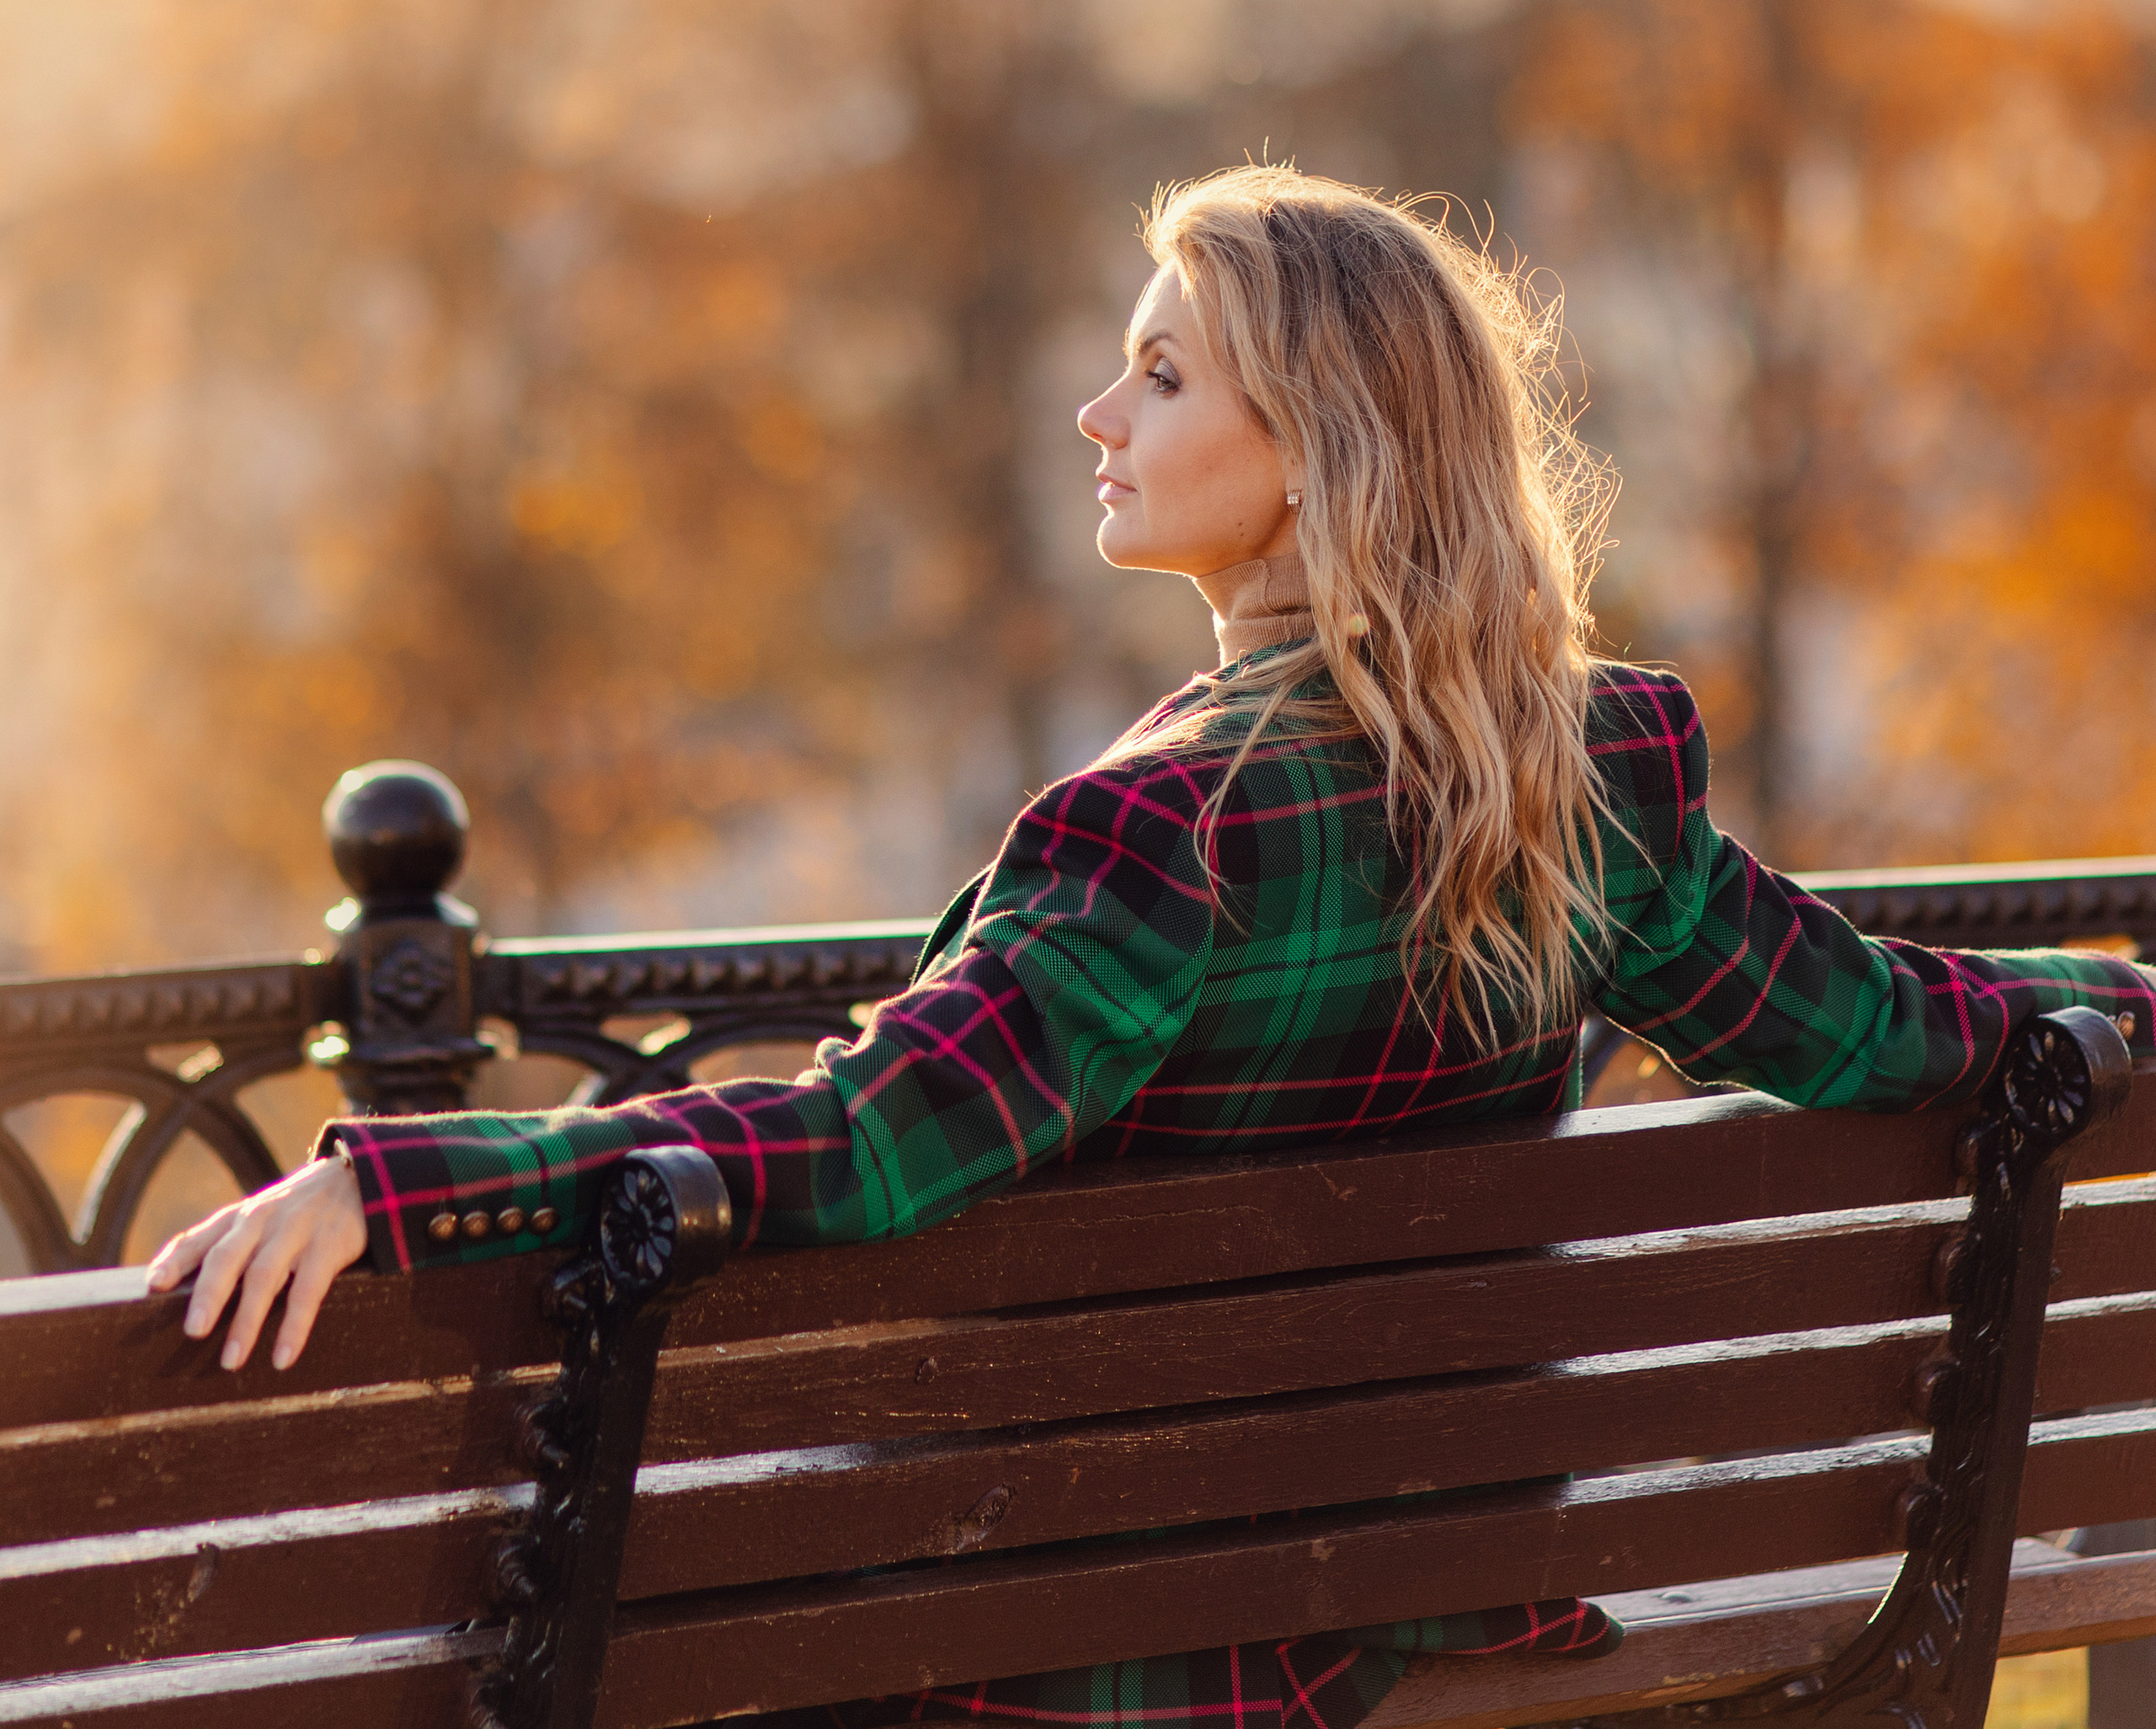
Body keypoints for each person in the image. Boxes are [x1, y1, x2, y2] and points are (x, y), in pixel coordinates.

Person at [150, 165, 2156, 1729]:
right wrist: (2120, 1008)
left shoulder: (1159, 829)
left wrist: (402, 1173)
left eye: (1166, 371)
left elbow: (857, 1140)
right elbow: (1881, 1025)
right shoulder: (1574, 780)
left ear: (1320, 438)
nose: (1099, 407)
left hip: (1113, 1644)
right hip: (1430, 1570)